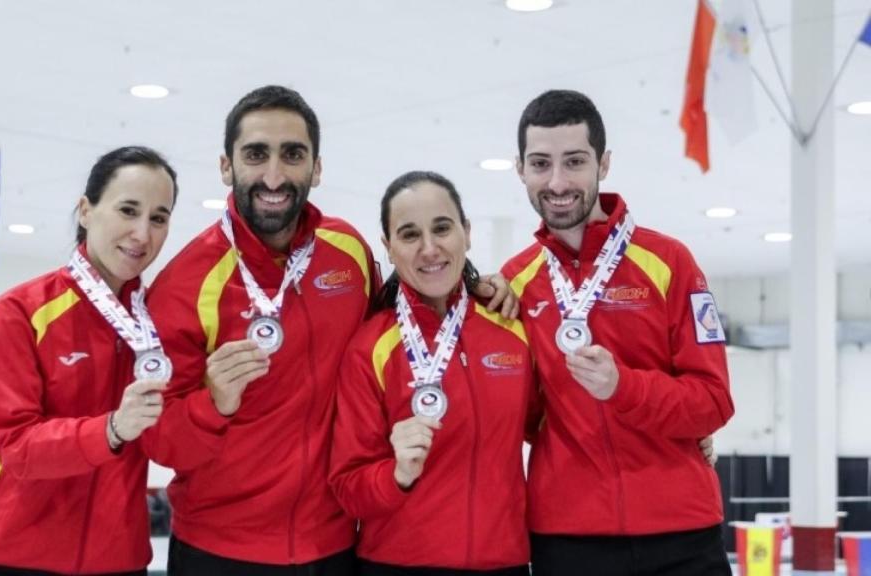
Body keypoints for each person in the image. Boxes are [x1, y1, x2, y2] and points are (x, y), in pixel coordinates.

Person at [143, 85, 515, 575]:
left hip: (333, 548)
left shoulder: (348, 252)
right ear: (226, 166)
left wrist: (478, 286)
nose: (274, 175)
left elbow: (403, 325)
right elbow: (159, 443)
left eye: (292, 154)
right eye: (256, 154)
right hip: (222, 552)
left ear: (315, 168)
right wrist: (212, 403)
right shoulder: (183, 286)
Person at [500, 89, 735, 576]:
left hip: (681, 532)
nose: (558, 181)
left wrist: (623, 388)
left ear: (603, 164)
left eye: (575, 161)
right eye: (540, 163)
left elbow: (714, 401)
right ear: (520, 169)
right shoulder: (515, 283)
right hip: (569, 536)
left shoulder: (669, 262)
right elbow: (519, 413)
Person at [0, 146, 187, 575]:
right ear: (86, 210)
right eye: (128, 210)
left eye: (158, 217)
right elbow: (15, 446)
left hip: (116, 560)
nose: (142, 233)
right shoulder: (20, 313)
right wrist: (112, 429)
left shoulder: (161, 324)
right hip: (12, 557)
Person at [330, 171, 538, 576]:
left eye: (442, 228)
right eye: (409, 235)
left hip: (504, 563)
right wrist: (396, 475)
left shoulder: (512, 328)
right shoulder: (370, 347)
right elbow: (347, 487)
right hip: (396, 565)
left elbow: (553, 425)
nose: (429, 248)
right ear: (389, 249)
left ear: (467, 232)